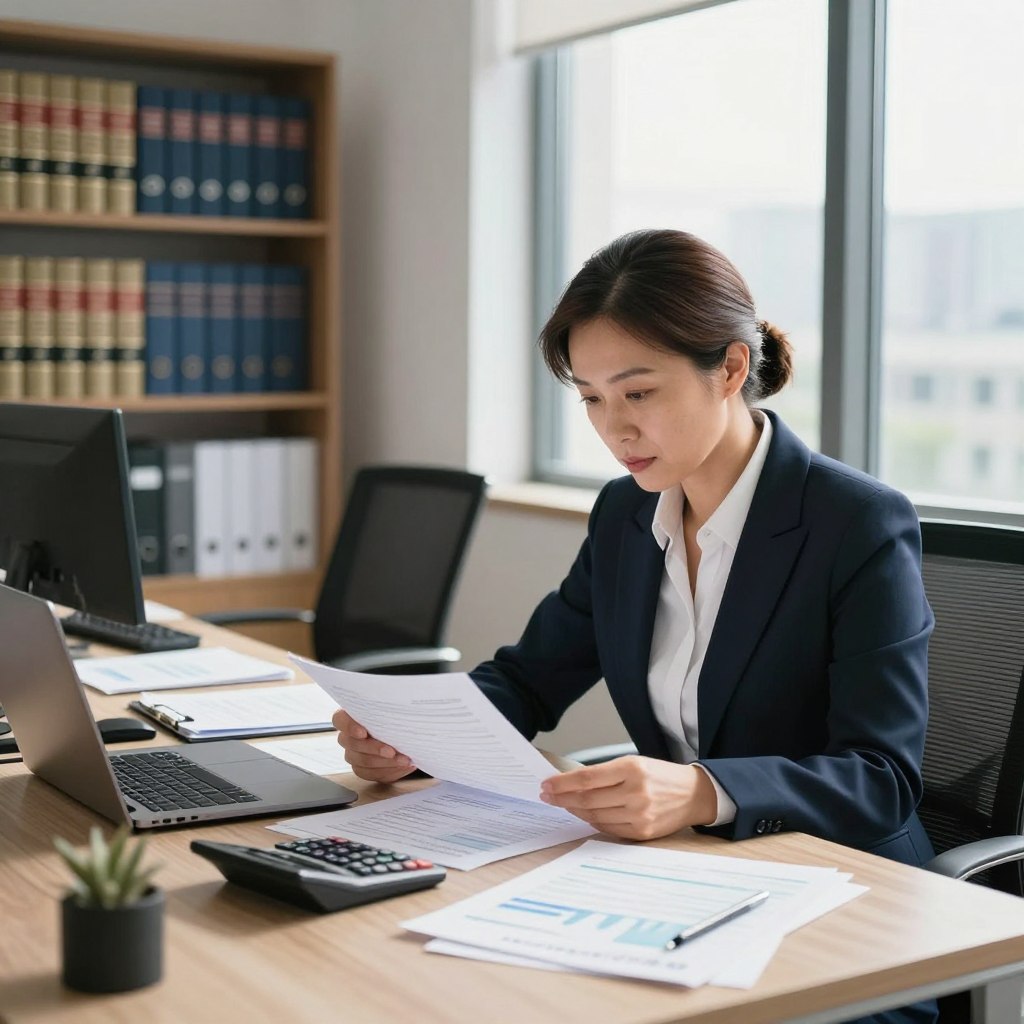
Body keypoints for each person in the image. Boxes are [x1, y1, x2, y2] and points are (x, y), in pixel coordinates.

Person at [334, 229, 937, 1024]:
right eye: (590, 398)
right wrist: (413, 735)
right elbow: (527, 677)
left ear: (727, 369)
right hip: (676, 888)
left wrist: (703, 791)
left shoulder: (851, 523)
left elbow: (881, 777)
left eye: (638, 392)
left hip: (842, 905)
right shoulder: (627, 513)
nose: (613, 429)